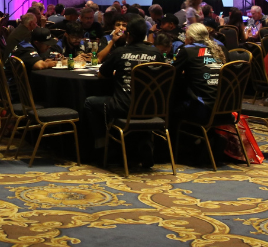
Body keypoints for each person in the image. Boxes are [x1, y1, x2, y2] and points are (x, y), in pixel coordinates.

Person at [83, 18, 163, 166]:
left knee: (90, 102)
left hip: (123, 106)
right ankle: (144, 142)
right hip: (150, 107)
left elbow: (101, 75)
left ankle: (102, 146)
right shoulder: (156, 53)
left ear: (129, 35)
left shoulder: (120, 52)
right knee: (139, 105)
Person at [171, 22, 226, 125]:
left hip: (204, 109)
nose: (184, 40)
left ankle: (177, 140)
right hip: (226, 105)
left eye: (186, 37)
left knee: (171, 105)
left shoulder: (188, 50)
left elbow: (170, 74)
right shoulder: (221, 48)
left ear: (191, 39)